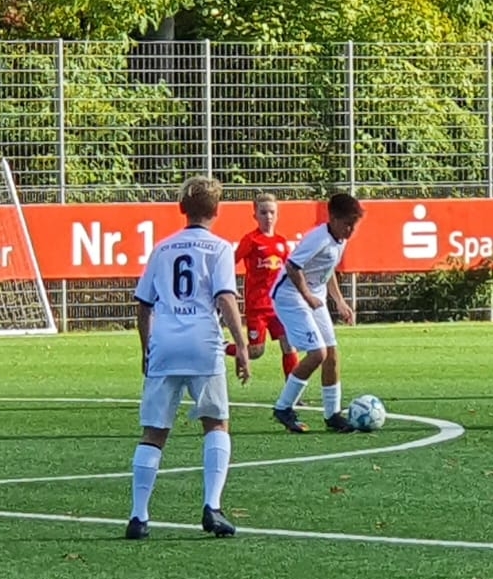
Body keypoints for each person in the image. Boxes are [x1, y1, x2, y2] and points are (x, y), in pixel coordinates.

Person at [127, 176, 251, 540]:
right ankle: (212, 507)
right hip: (203, 342)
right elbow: (225, 297)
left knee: (154, 431)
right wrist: (242, 346)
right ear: (217, 210)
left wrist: (146, 348)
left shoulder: (162, 248)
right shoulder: (220, 248)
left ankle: (138, 516)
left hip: (165, 342)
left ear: (182, 208)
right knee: (216, 423)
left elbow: (144, 305)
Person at [270, 193, 365, 434]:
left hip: (314, 297)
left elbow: (327, 269)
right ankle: (283, 407)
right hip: (290, 297)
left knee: (331, 353)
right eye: (347, 224)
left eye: (354, 224)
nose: (351, 229)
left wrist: (339, 301)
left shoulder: (340, 239)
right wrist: (307, 295)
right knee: (317, 353)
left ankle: (332, 414)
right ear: (333, 219)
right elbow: (292, 266)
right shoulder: (318, 238)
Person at [225, 193, 301, 379]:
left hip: (278, 305)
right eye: (263, 212)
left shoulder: (281, 242)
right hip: (257, 307)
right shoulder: (251, 240)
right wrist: (227, 287)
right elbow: (229, 263)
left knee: (289, 345)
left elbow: (289, 271)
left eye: (272, 212)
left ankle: (292, 391)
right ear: (255, 216)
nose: (268, 216)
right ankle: (222, 346)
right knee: (256, 352)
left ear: (277, 215)